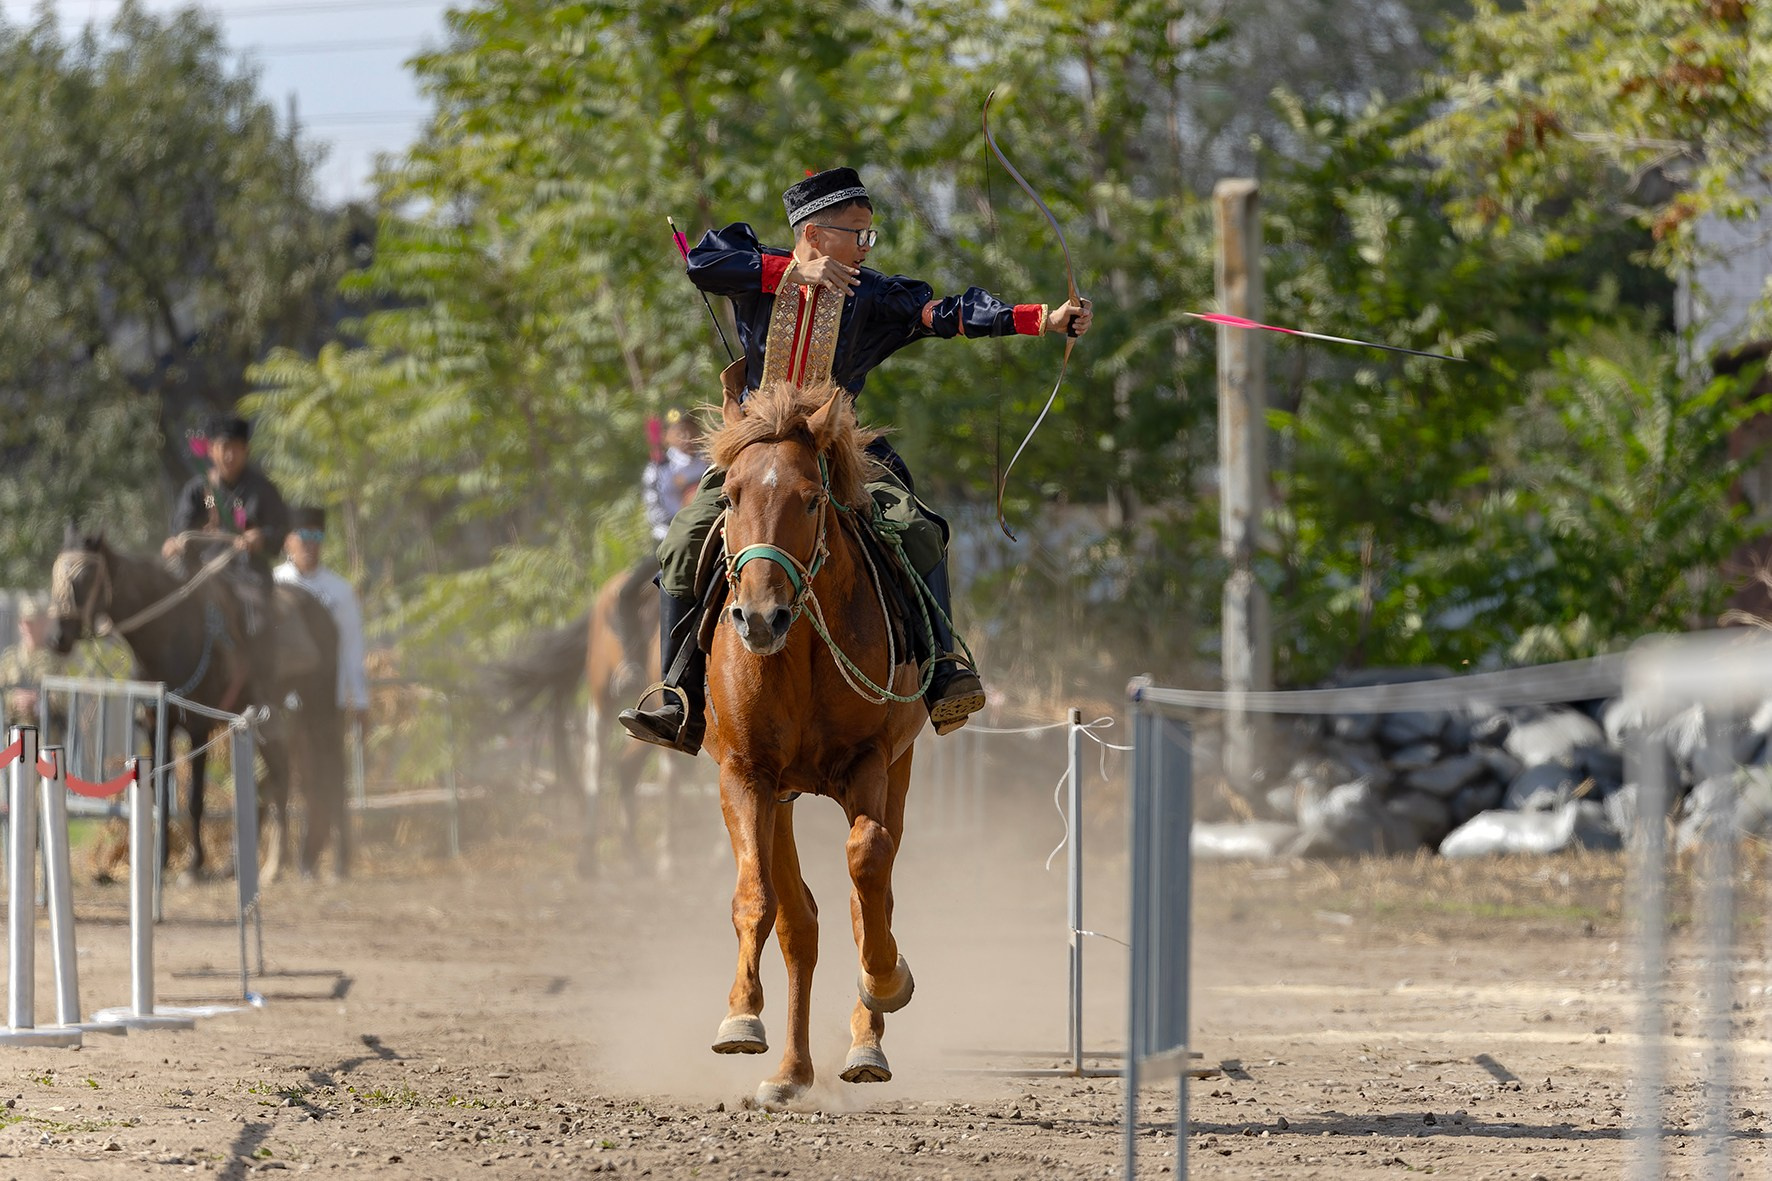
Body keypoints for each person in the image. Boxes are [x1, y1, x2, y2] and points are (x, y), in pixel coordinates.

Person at [619, 166, 1093, 754]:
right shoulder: (758, 272)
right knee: (684, 539)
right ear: (814, 234)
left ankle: (943, 670)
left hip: (837, 445)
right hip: (754, 449)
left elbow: (945, 314)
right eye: (857, 234)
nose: (867, 247)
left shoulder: (871, 294)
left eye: (870, 235)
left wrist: (1041, 318)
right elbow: (703, 265)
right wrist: (792, 272)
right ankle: (678, 695)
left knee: (918, 528)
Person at [164, 414, 291, 706]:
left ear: (246, 450)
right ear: (211, 450)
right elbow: (182, 528)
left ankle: (264, 694)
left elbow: (280, 528)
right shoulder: (203, 492)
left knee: (260, 620)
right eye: (224, 447)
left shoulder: (262, 490)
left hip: (247, 574)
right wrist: (177, 542)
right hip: (205, 573)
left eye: (236, 448)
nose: (230, 455)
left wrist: (261, 536)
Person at [614, 410, 710, 682]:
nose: (686, 436)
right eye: (679, 431)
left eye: (690, 430)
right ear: (666, 436)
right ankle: (632, 661)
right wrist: (679, 535)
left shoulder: (709, 462)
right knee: (626, 593)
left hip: (709, 539)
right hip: (668, 544)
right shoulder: (657, 468)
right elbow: (655, 512)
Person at [274, 506, 370, 721]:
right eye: (304, 535)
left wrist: (360, 700)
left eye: (317, 536)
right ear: (287, 540)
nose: (310, 543)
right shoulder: (273, 585)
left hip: (328, 699)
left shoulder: (341, 590)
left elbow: (351, 645)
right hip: (281, 701)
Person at [0, 594, 60, 731]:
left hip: (44, 736)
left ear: (44, 623)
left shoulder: (55, 660)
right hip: (13, 736)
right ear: (20, 624)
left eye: (34, 622)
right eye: (25, 622)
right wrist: (13, 700)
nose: (29, 628)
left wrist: (37, 702)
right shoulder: (10, 659)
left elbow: (65, 698)